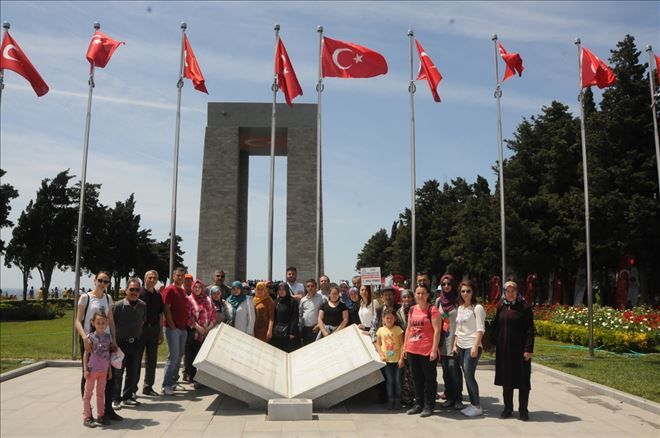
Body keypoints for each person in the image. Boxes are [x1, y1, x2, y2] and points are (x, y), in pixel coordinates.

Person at [74, 271, 122, 422]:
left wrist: (114, 339)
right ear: (95, 280)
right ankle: (88, 414)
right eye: (100, 280)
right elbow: (78, 321)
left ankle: (106, 411)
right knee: (87, 377)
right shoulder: (86, 297)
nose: (103, 283)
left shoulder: (108, 298)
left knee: (108, 377)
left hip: (105, 342)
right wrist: (84, 338)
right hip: (90, 341)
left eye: (106, 281)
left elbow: (111, 321)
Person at [492, 280, 535, 421]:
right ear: (504, 293)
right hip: (504, 352)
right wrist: (493, 344)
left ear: (517, 292)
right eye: (507, 291)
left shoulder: (525, 307)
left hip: (520, 352)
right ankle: (508, 408)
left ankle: (523, 410)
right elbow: (496, 326)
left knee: (523, 382)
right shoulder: (501, 306)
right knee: (507, 381)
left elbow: (530, 330)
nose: (510, 294)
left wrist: (528, 348)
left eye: (513, 291)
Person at [403, 284, 441, 418]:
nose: (420, 296)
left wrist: (434, 350)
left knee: (429, 379)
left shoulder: (433, 310)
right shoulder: (412, 309)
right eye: (418, 293)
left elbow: (437, 331)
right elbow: (409, 328)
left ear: (428, 295)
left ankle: (429, 405)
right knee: (416, 378)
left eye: (423, 293)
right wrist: (405, 347)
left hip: (427, 350)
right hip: (413, 349)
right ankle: (418, 404)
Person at [452, 280, 486, 417]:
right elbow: (458, 330)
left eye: (468, 291)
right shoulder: (460, 308)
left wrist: (475, 346)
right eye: (463, 291)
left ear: (473, 292)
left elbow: (480, 329)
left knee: (469, 376)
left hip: (472, 346)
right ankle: (472, 404)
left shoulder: (477, 308)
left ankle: (476, 406)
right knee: (466, 375)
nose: (465, 294)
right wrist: (454, 344)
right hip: (460, 345)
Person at [112, 278, 146, 409]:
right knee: (118, 372)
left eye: (137, 290)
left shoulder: (142, 305)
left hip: (136, 343)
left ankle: (127, 396)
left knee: (133, 371)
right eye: (131, 289)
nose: (134, 292)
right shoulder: (118, 306)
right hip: (120, 343)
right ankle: (115, 399)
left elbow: (142, 321)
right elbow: (112, 324)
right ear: (126, 290)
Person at [161, 267, 190, 396]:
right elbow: (166, 308)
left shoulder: (182, 291)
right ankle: (166, 385)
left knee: (178, 357)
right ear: (173, 276)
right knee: (173, 357)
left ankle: (173, 382)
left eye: (182, 276)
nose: (180, 277)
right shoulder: (169, 290)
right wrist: (172, 325)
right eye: (178, 275)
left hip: (183, 328)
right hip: (173, 329)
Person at [436, 274, 464, 410]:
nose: (446, 286)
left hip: (454, 341)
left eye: (449, 284)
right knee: (445, 371)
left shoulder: (458, 302)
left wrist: (457, 343)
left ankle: (458, 398)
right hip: (442, 342)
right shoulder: (438, 302)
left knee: (454, 370)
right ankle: (449, 396)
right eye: (444, 284)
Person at [82, 311, 113, 428]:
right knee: (88, 393)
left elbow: (108, 354)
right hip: (92, 370)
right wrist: (85, 369)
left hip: (103, 370)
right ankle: (86, 416)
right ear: (93, 323)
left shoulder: (108, 337)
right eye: (98, 322)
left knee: (100, 393)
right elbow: (86, 354)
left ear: (106, 323)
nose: (101, 325)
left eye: (103, 323)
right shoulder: (90, 337)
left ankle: (101, 415)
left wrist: (109, 370)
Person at [137, 270, 163, 397]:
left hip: (154, 329)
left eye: (155, 278)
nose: (152, 280)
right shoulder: (139, 293)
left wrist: (161, 332)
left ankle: (148, 387)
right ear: (145, 278)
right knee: (136, 360)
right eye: (150, 278)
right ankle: (132, 389)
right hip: (140, 331)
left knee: (152, 360)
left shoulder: (158, 295)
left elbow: (160, 314)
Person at [186, 279, 216, 388]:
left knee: (205, 357)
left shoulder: (208, 299)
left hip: (207, 332)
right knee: (193, 356)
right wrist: (198, 327)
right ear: (192, 288)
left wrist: (208, 327)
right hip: (194, 332)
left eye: (199, 287)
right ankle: (193, 378)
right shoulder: (189, 300)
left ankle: (204, 379)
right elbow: (188, 317)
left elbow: (213, 314)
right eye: (195, 287)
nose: (197, 289)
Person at [377, 307, 405, 410]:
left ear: (395, 319)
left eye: (391, 318)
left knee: (397, 381)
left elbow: (402, 345)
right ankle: (391, 400)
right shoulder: (380, 330)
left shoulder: (398, 330)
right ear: (383, 319)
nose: (389, 320)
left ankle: (398, 401)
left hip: (397, 360)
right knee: (390, 381)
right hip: (387, 361)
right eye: (387, 318)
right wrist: (381, 354)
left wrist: (402, 359)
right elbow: (378, 344)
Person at [396, 289, 415, 408]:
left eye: (408, 297)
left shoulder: (417, 309)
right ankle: (406, 398)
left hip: (415, 344)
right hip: (402, 345)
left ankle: (417, 397)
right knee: (404, 374)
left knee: (414, 373)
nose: (406, 299)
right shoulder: (398, 312)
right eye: (404, 297)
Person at [272, 282, 299, 352]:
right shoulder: (276, 301)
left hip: (288, 333)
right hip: (277, 332)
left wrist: (292, 332)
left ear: (287, 290)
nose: (281, 291)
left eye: (283, 289)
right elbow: (274, 316)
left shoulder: (293, 302)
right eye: (279, 289)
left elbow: (295, 317)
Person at [299, 279, 324, 345]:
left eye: (312, 286)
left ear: (316, 287)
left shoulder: (321, 298)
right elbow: (300, 314)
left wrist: (319, 325)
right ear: (306, 288)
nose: (310, 288)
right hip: (305, 329)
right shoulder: (303, 300)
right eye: (308, 286)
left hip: (316, 328)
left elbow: (324, 313)